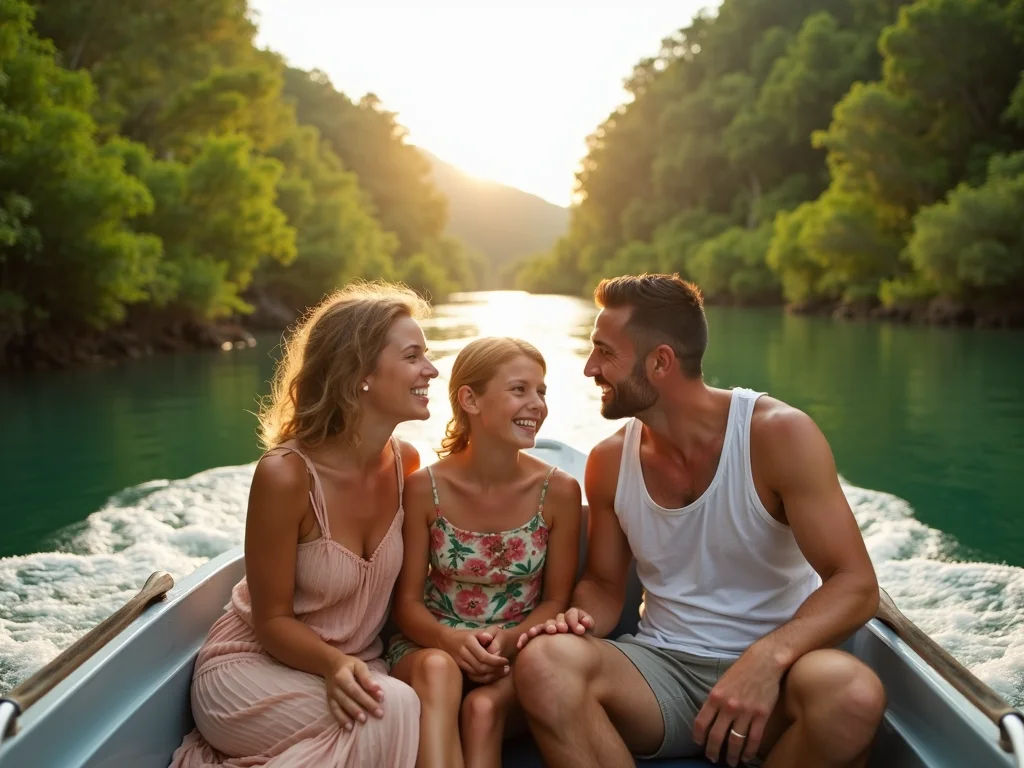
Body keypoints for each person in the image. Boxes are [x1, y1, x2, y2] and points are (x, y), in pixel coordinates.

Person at [513, 274, 886, 768]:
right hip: (662, 671)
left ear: (661, 361)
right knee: (544, 664)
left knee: (853, 694)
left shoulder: (777, 437)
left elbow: (857, 584)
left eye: (605, 353)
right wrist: (578, 619)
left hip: (777, 674)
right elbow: (604, 584)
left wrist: (767, 659)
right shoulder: (609, 462)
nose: (589, 369)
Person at [169, 281, 438, 768]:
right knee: (393, 708)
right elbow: (271, 622)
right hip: (253, 669)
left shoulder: (408, 465)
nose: (431, 369)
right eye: (413, 356)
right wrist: (335, 664)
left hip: (356, 668)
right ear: (360, 372)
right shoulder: (286, 475)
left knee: (401, 704)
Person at [386, 337, 582, 768]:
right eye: (519, 390)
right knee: (440, 671)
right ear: (470, 399)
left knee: (482, 710)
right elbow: (406, 604)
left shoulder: (560, 492)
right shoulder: (424, 489)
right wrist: (450, 642)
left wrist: (508, 642)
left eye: (541, 391)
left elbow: (554, 601)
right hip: (431, 648)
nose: (537, 404)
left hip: (517, 653)